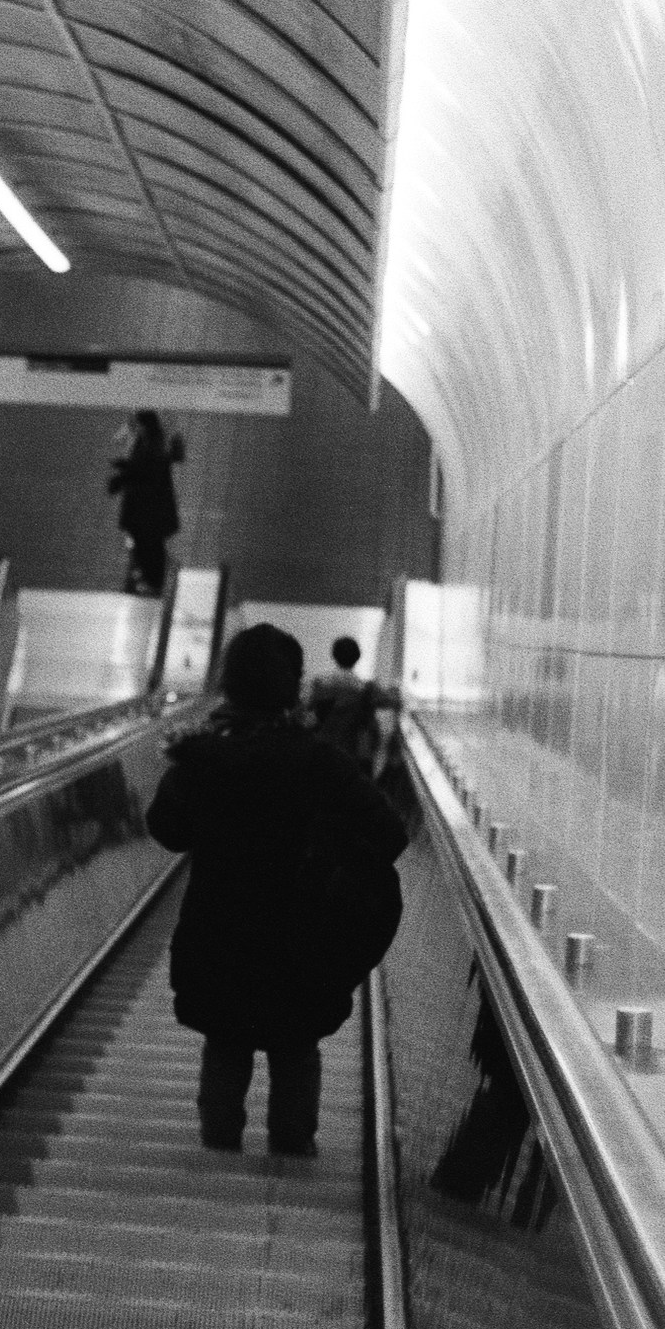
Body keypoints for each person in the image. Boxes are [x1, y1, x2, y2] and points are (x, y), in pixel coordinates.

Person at [145, 623, 408, 1156]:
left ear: (229, 684)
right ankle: (292, 1152)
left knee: (225, 1045)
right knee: (295, 1048)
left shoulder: (202, 760)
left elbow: (166, 830)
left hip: (220, 932)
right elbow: (390, 835)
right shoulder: (320, 763)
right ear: (293, 688)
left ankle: (218, 1152)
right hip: (302, 935)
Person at [105, 409, 185, 596]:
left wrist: (123, 474)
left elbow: (147, 470)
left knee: (150, 546)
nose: (135, 428)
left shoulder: (154, 443)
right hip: (146, 509)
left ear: (144, 425)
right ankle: (151, 580)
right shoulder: (150, 441)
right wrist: (125, 467)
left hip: (149, 510)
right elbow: (145, 466)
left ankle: (154, 582)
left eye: (137, 424)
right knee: (147, 545)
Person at [304, 635, 399, 776]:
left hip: (322, 752)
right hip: (353, 755)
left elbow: (309, 710)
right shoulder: (367, 689)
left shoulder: (320, 684)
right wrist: (395, 691)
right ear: (357, 657)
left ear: (334, 655)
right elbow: (393, 703)